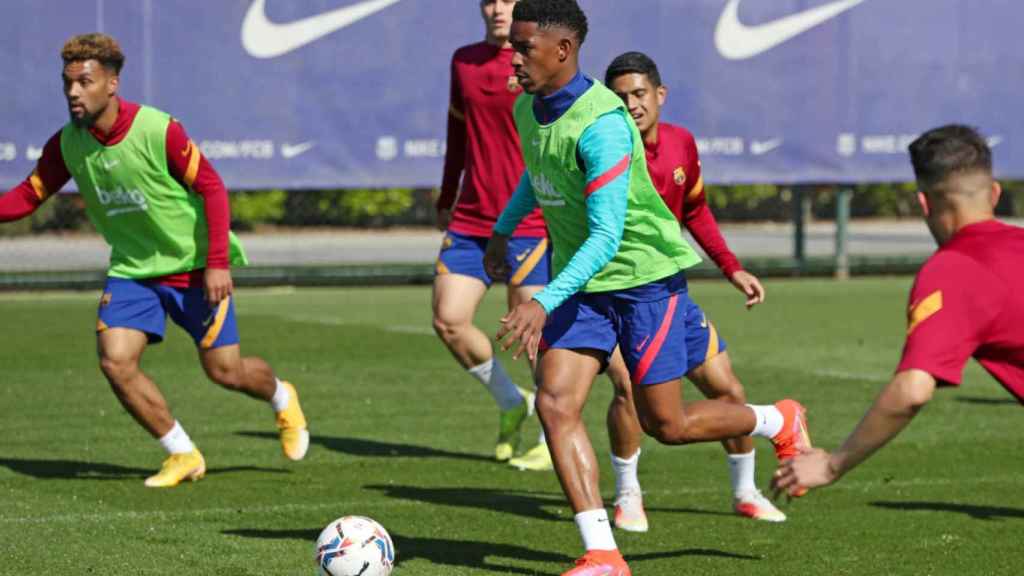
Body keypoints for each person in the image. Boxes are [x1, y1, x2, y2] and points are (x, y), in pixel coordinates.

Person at [485, 2, 811, 573]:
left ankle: (777, 419)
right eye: (512, 45)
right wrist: (503, 229)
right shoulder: (526, 108)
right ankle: (603, 553)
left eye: (523, 46)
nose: (512, 56)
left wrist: (541, 300)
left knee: (669, 425)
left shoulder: (604, 124)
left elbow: (608, 236)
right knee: (557, 404)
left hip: (644, 285)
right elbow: (538, 175)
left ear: (563, 50)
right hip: (584, 288)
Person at [0, 33, 308, 488]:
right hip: (132, 271)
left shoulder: (157, 129)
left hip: (195, 268)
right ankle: (182, 453)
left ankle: (282, 396)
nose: (73, 93)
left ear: (112, 84)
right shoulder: (67, 143)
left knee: (226, 371)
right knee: (115, 361)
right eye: (67, 83)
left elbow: (212, 187)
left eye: (84, 82)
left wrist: (218, 262)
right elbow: (28, 196)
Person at [773, 124, 1024, 497]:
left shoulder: (952, 270)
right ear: (995, 193)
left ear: (924, 203)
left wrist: (831, 464)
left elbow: (913, 390)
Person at [600, 51, 785, 531]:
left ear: (659, 95)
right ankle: (627, 495)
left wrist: (732, 268)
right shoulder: (602, 148)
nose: (631, 105)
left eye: (639, 94)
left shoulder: (682, 143)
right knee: (627, 389)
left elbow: (696, 210)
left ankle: (745, 491)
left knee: (729, 389)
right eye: (620, 98)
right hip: (620, 296)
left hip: (672, 295)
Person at [433, 0, 547, 463]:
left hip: (529, 220)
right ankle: (511, 401)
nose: (498, 8)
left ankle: (549, 436)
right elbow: (457, 136)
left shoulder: (539, 59)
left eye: (508, 0)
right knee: (449, 320)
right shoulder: (463, 60)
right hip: (473, 219)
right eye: (490, 0)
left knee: (531, 336)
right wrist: (446, 196)